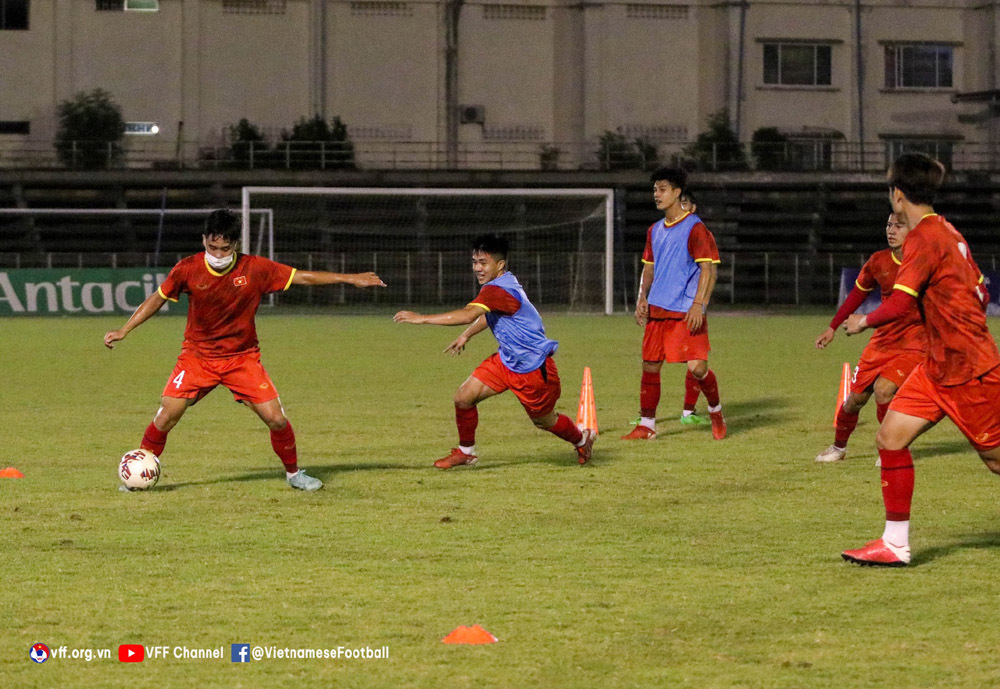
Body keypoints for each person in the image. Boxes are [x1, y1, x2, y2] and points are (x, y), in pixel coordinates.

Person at [103, 209, 386, 491]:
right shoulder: (187, 268)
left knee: (276, 418)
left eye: (224, 248)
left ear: (235, 245)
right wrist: (124, 329)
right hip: (197, 358)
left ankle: (294, 474)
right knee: (166, 416)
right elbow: (157, 298)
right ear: (204, 240)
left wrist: (349, 278)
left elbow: (304, 277)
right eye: (212, 247)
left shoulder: (255, 269)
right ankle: (137, 473)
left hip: (241, 360)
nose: (217, 253)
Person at [840, 153, 997, 566]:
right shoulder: (947, 230)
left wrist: (862, 321)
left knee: (996, 461)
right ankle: (895, 544)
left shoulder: (923, 238)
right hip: (937, 366)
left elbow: (899, 304)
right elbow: (982, 291)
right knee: (890, 438)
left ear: (897, 195)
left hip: (969, 370)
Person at [393, 234, 595, 468]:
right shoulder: (500, 286)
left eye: (483, 263)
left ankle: (582, 439)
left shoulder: (498, 290)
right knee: (464, 398)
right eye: (474, 262)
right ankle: (466, 452)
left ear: (500, 265)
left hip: (533, 368)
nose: (477, 268)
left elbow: (469, 314)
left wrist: (422, 319)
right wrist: (467, 334)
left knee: (543, 420)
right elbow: (489, 315)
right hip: (506, 360)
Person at [622, 167, 726, 441]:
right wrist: (642, 297)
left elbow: (707, 270)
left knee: (698, 369)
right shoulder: (654, 230)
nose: (657, 194)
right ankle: (647, 425)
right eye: (655, 189)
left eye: (663, 189)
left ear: (677, 192)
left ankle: (716, 411)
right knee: (650, 365)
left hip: (685, 310)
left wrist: (698, 304)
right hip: (658, 309)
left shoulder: (695, 228)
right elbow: (649, 268)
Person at [813, 213, 926, 463]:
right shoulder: (879, 261)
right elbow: (856, 295)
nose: (891, 230)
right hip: (882, 342)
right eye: (888, 225)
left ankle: (891, 448)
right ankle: (838, 448)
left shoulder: (922, 263)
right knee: (855, 400)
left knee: (884, 391)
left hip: (914, 344)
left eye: (898, 225)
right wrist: (832, 327)